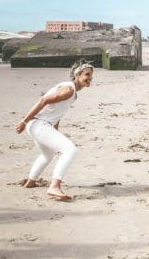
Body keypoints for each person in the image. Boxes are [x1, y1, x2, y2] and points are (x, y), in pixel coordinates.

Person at [15, 59, 94, 201]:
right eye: (87, 75)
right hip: (38, 124)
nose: (90, 78)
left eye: (91, 76)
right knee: (71, 150)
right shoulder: (68, 89)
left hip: (38, 125)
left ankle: (31, 181)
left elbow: (57, 114)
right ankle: (54, 186)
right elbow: (42, 101)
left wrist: (55, 132)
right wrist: (24, 121)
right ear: (77, 75)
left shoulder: (73, 93)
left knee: (47, 155)